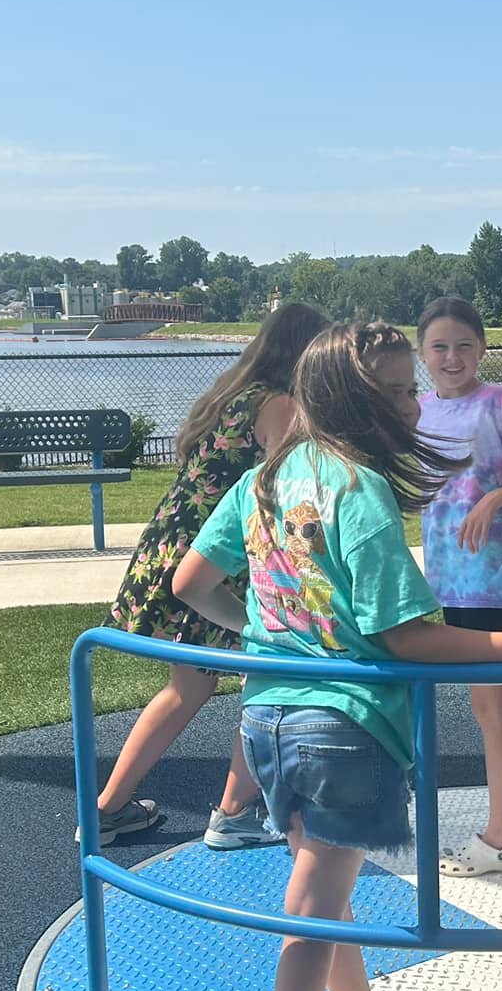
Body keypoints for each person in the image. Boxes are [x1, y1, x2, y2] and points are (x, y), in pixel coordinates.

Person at [172, 320, 502, 991]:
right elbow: (407, 637)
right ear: (357, 401)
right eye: (401, 392)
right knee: (316, 909)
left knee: (323, 887)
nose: (415, 405)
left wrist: (269, 638)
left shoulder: (267, 479)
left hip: (267, 717)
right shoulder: (356, 489)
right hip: (341, 726)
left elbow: (193, 583)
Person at [82, 302, 332, 849]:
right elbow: (285, 488)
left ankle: (108, 810)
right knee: (261, 673)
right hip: (219, 558)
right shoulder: (280, 404)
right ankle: (234, 812)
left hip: (174, 547)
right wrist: (307, 558)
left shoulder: (232, 393)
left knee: (189, 686)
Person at [411, 297, 502, 878]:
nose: (452, 357)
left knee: (488, 706)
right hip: (448, 580)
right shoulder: (419, 410)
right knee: (496, 704)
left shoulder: (499, 403)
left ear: (482, 348)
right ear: (422, 352)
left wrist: (497, 497)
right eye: (439, 347)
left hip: (491, 581)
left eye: (463, 346)